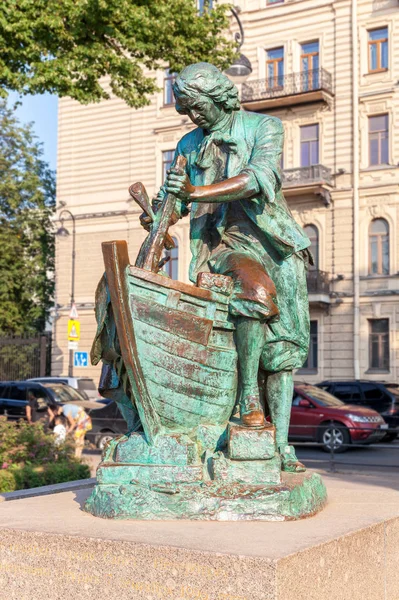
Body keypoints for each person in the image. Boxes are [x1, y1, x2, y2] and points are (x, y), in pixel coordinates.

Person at [145, 63, 311, 472]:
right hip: (223, 244)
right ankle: (247, 399)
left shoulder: (264, 127)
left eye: (196, 106)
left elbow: (260, 177)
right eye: (184, 109)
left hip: (274, 243)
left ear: (217, 96)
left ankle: (283, 445)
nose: (191, 116)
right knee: (254, 292)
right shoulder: (188, 145)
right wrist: (161, 212)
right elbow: (180, 203)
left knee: (285, 349)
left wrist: (196, 190)